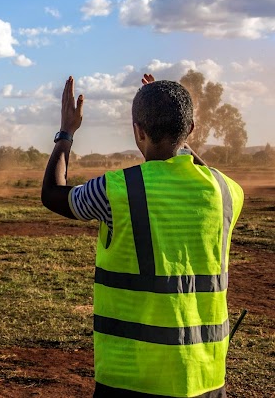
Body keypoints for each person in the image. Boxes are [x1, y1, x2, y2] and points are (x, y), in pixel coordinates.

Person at [41, 74, 243, 397]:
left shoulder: (116, 190)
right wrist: (179, 132)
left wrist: (66, 132)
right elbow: (204, 170)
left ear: (138, 131)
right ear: (190, 130)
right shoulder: (226, 193)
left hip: (131, 378)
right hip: (205, 379)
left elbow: (53, 193)